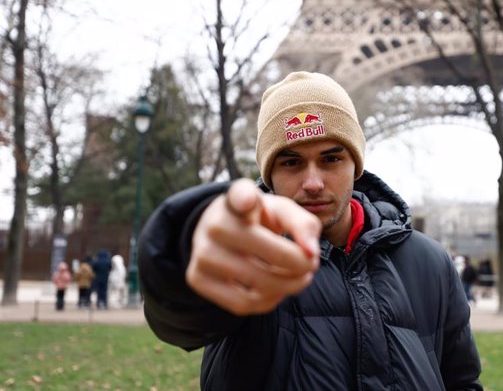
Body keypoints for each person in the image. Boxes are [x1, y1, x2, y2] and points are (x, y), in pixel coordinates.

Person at [139, 71, 483, 390]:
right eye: (291, 162)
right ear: (269, 175)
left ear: (356, 166)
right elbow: (180, 318)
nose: (313, 182)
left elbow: (462, 381)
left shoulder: (432, 262)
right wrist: (186, 243)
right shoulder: (247, 258)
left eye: (331, 159)